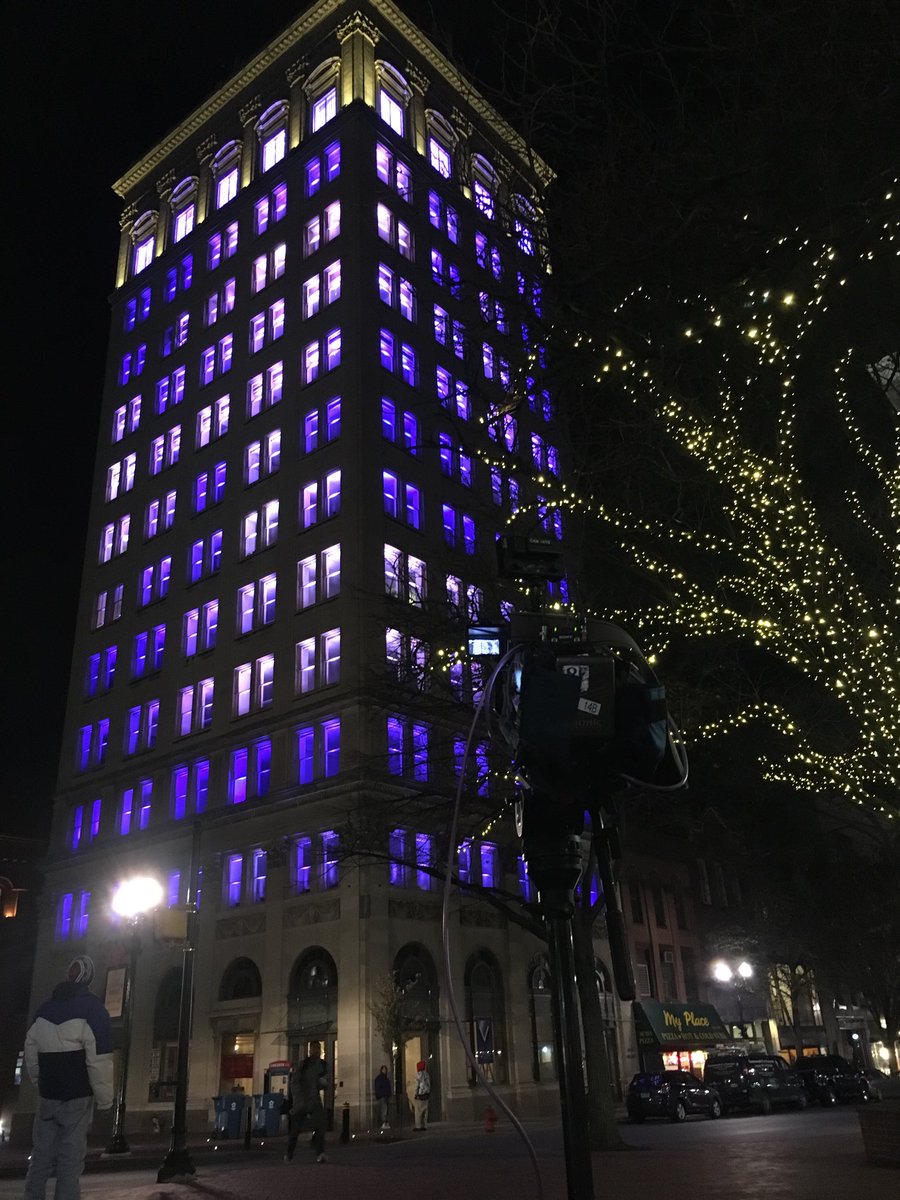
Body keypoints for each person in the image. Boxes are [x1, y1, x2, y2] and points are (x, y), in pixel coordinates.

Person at [23, 955, 114, 1200]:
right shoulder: (93, 1010)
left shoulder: (44, 1009)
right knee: (70, 1160)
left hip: (48, 1092)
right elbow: (99, 1059)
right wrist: (106, 1099)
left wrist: (39, 1079)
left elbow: (31, 1050)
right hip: (77, 1093)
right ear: (89, 978)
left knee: (40, 1155)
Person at [285, 1041, 329, 1164]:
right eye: (315, 1049)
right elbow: (294, 1083)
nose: (317, 1051)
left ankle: (320, 1153)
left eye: (318, 1049)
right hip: (302, 1101)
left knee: (320, 1126)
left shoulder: (322, 1065)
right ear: (310, 1050)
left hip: (314, 1100)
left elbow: (323, 1082)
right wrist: (299, 1098)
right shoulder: (303, 1064)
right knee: (295, 1130)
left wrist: (323, 1084)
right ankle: (289, 1154)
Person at [412, 1060, 431, 1131]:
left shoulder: (418, 1075)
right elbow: (429, 1085)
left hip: (420, 1096)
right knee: (425, 1112)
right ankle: (424, 1125)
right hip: (426, 1095)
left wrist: (415, 1094)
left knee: (418, 1112)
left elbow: (417, 1086)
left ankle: (418, 1126)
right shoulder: (427, 1074)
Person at [373, 1064, 392, 1130]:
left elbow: (388, 1087)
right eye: (384, 1070)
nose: (385, 1071)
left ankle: (385, 1122)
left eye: (385, 1070)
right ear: (381, 1070)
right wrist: (380, 1095)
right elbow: (378, 1088)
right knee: (384, 1110)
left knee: (386, 1110)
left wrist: (389, 1094)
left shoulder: (386, 1078)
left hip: (386, 1096)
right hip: (383, 1096)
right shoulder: (379, 1078)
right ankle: (384, 1123)